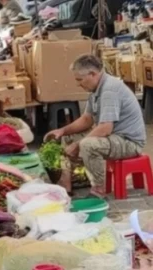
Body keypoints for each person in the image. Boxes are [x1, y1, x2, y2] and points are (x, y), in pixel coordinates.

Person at [45, 54, 145, 198]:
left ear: (92, 74)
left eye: (79, 80)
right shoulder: (96, 90)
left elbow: (105, 128)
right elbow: (87, 119)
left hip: (129, 142)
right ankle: (65, 183)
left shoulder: (109, 90)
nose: (78, 84)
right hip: (114, 137)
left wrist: (78, 144)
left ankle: (99, 189)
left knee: (88, 144)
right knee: (66, 138)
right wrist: (62, 130)